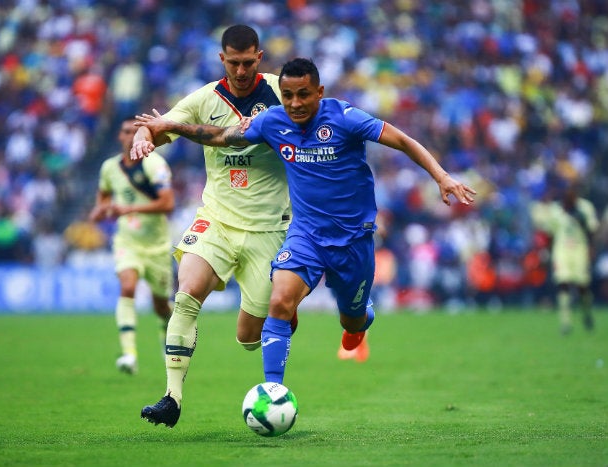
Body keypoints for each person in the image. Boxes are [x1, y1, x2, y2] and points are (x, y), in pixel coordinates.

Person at [135, 58, 476, 389]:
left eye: (303, 94)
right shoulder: (272, 121)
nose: (295, 103)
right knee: (280, 301)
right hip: (305, 236)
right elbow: (223, 137)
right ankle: (273, 392)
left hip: (353, 241)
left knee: (352, 319)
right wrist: (170, 126)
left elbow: (402, 140)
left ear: (319, 91)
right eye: (288, 95)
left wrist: (442, 177)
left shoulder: (344, 117)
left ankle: (359, 321)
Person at [130, 25, 295, 427]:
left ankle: (282, 314)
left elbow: (231, 137)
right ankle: (172, 397)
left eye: (247, 62)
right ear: (222, 59)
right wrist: (142, 135)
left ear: (259, 57)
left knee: (247, 338)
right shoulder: (205, 98)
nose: (240, 71)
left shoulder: (281, 92)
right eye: (233, 63)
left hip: (268, 230)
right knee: (186, 292)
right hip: (216, 220)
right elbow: (157, 125)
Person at [88, 116, 175, 374]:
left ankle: (168, 343)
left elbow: (168, 204)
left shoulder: (155, 164)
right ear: (119, 136)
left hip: (157, 245)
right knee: (127, 286)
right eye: (126, 131)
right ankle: (129, 354)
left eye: (135, 132)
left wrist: (128, 208)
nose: (130, 136)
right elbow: (103, 194)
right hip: (127, 241)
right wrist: (99, 210)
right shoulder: (109, 168)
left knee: (161, 306)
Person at [530, 183, 599, 335]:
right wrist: (545, 252)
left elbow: (592, 230)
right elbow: (549, 233)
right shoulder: (556, 210)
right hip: (561, 250)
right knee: (563, 282)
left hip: (579, 249)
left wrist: (591, 248)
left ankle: (586, 311)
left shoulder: (585, 208)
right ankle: (565, 322)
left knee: (582, 284)